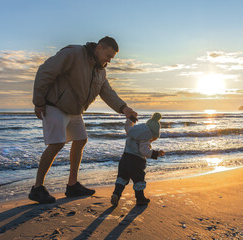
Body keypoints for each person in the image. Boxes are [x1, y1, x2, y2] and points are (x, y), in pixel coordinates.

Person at [29, 36, 137, 204]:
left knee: (80, 140)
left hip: (74, 110)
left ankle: (72, 185)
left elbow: (107, 92)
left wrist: (124, 108)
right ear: (99, 47)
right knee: (57, 143)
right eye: (108, 55)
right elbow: (45, 71)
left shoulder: (100, 70)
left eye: (112, 58)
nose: (109, 60)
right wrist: (39, 102)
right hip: (54, 104)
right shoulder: (74, 53)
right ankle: (37, 188)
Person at [111, 113, 165, 207]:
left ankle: (116, 194)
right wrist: (156, 153)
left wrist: (131, 119)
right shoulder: (145, 138)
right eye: (153, 139)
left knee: (122, 178)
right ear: (151, 133)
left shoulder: (132, 131)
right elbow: (144, 151)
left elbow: (127, 126)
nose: (151, 141)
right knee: (139, 180)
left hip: (124, 159)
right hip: (136, 162)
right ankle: (140, 199)